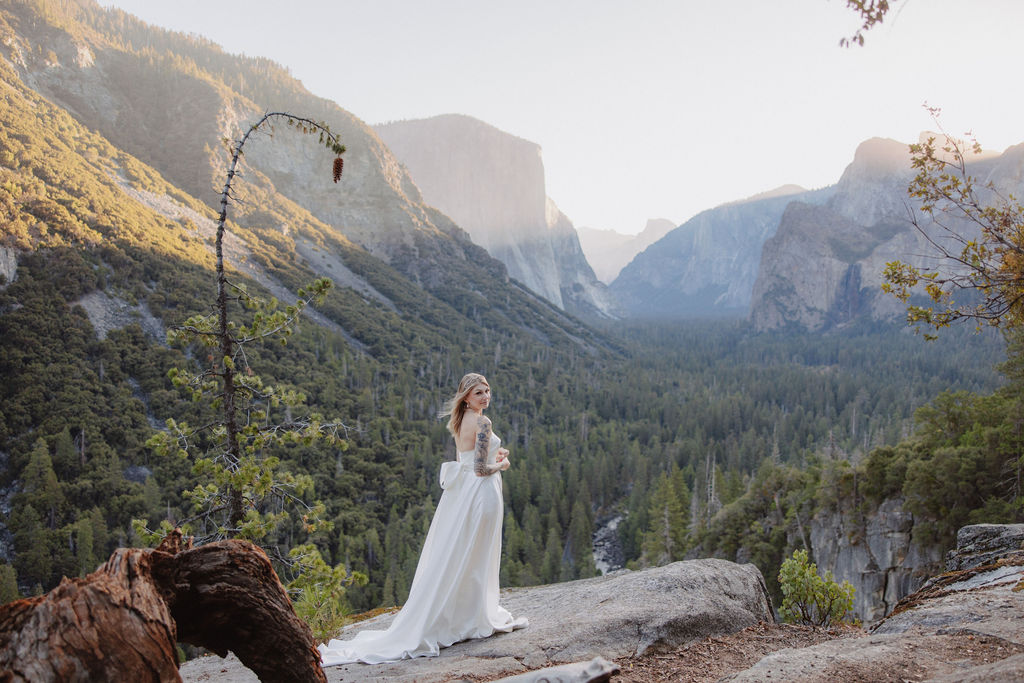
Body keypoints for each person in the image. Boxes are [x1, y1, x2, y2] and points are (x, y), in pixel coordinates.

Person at [319, 373, 528, 666]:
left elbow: (467, 459)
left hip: (466, 493)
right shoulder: (483, 422)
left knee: (464, 552)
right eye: (478, 392)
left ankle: (464, 614)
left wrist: (494, 451)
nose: (485, 396)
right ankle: (473, 615)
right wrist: (502, 463)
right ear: (466, 397)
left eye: (488, 391)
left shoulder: (461, 419)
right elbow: (481, 468)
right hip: (482, 492)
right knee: (478, 553)